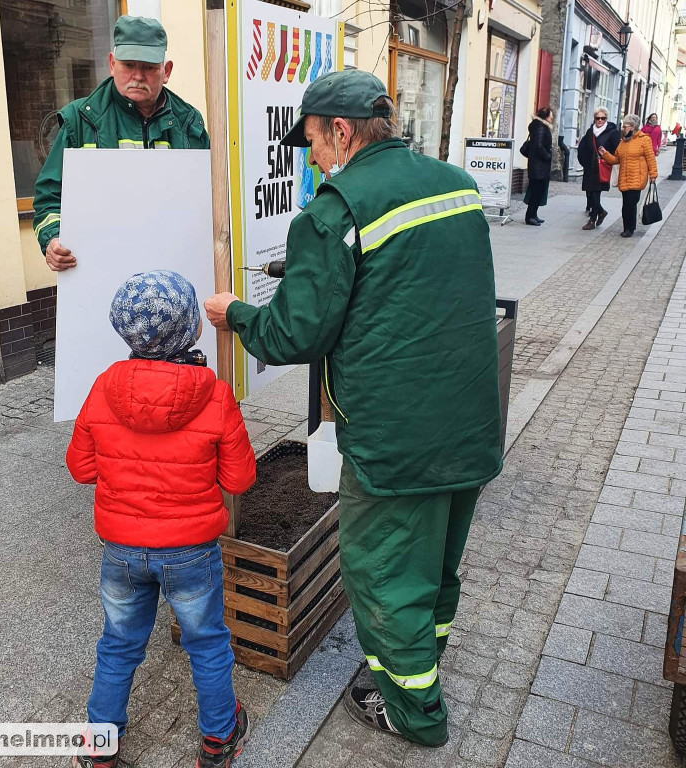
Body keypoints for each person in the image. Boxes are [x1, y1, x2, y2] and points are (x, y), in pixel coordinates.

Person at [204, 70, 502, 748]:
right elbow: (404, 274)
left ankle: (413, 714)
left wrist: (237, 313)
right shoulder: (454, 184)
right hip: (470, 424)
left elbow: (295, 335)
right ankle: (419, 668)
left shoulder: (335, 211)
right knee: (435, 564)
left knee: (383, 573)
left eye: (311, 142)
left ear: (340, 132)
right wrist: (304, 271)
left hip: (395, 442)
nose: (311, 157)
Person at [66, 271, 255, 768]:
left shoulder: (105, 386)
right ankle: (218, 740)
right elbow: (238, 480)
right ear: (192, 328)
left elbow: (81, 468)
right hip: (192, 552)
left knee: (119, 645)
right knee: (208, 643)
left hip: (121, 550)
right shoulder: (214, 394)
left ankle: (99, 746)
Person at [33, 16, 209, 272]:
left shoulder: (189, 124)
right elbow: (48, 198)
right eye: (128, 65)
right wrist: (52, 239)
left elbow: (209, 201)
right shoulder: (79, 120)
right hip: (98, 272)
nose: (138, 76)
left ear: (166, 71)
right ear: (112, 64)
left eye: (149, 67)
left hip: (173, 272)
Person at [598, 114, 658, 238]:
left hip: (637, 177)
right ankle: (629, 227)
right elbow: (616, 159)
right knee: (627, 204)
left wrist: (653, 174)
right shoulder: (623, 142)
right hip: (624, 178)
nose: (623, 129)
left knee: (630, 204)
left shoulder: (644, 140)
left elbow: (650, 158)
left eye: (625, 126)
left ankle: (629, 229)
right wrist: (605, 154)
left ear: (633, 127)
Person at [577, 107, 620, 230]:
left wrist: (607, 156)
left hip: (602, 167)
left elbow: (617, 150)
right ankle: (601, 212)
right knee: (590, 193)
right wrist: (584, 162)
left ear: (606, 119)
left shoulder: (612, 132)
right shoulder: (590, 131)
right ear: (594, 118)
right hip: (590, 167)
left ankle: (592, 219)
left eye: (603, 118)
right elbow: (583, 147)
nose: (600, 120)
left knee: (596, 193)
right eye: (597, 118)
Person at [523, 106, 554, 225]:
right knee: (536, 191)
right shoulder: (540, 128)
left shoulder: (540, 126)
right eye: (551, 116)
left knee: (538, 191)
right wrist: (547, 156)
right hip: (538, 166)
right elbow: (538, 146)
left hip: (539, 165)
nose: (552, 118)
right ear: (546, 117)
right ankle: (529, 216)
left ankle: (533, 214)